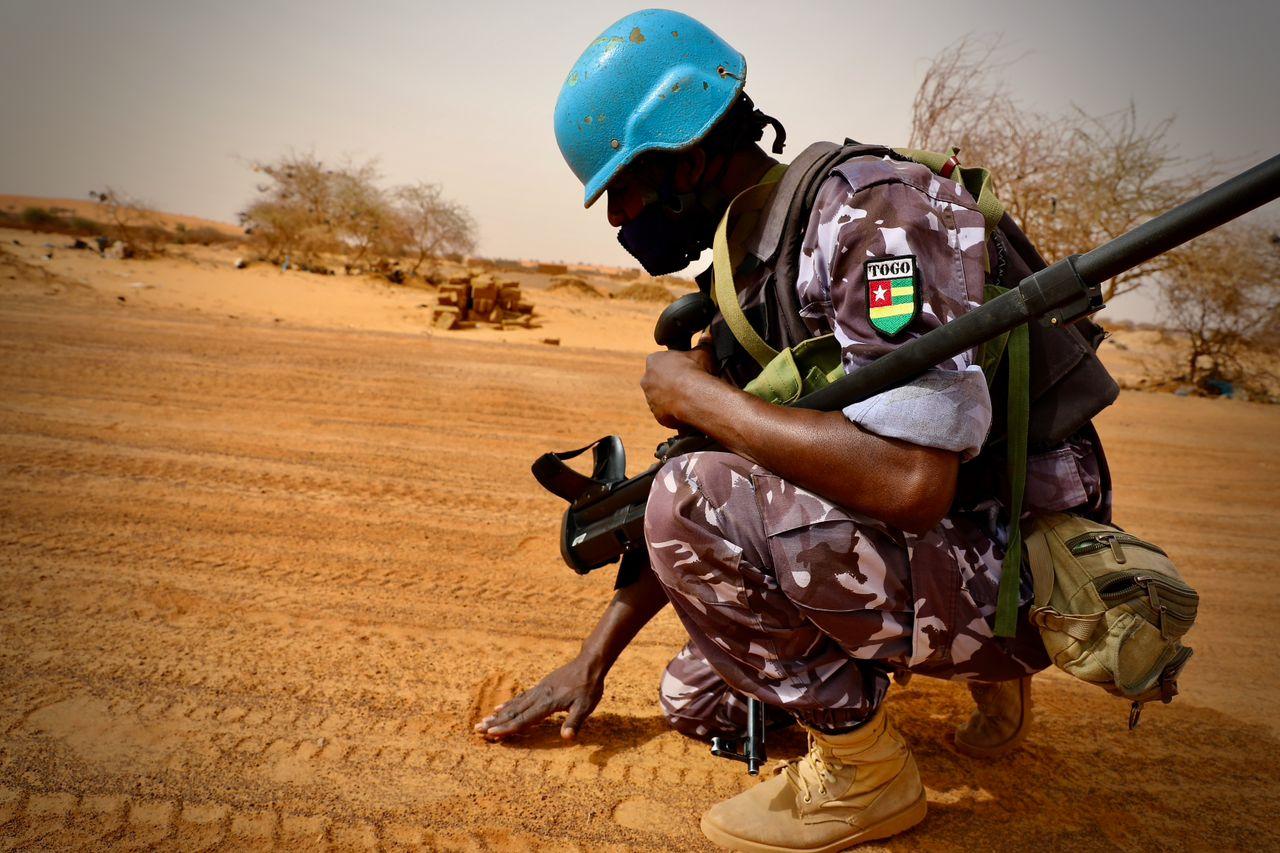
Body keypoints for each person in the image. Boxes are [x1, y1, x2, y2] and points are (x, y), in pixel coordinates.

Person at [475, 9, 1110, 850]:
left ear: (689, 158)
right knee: (695, 699)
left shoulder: (874, 216)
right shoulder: (750, 272)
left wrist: (702, 402)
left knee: (689, 491)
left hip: (1018, 564)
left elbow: (913, 483)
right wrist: (590, 660)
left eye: (625, 185)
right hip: (941, 544)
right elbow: (733, 478)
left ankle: (870, 770)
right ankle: (936, 653)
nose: (617, 215)